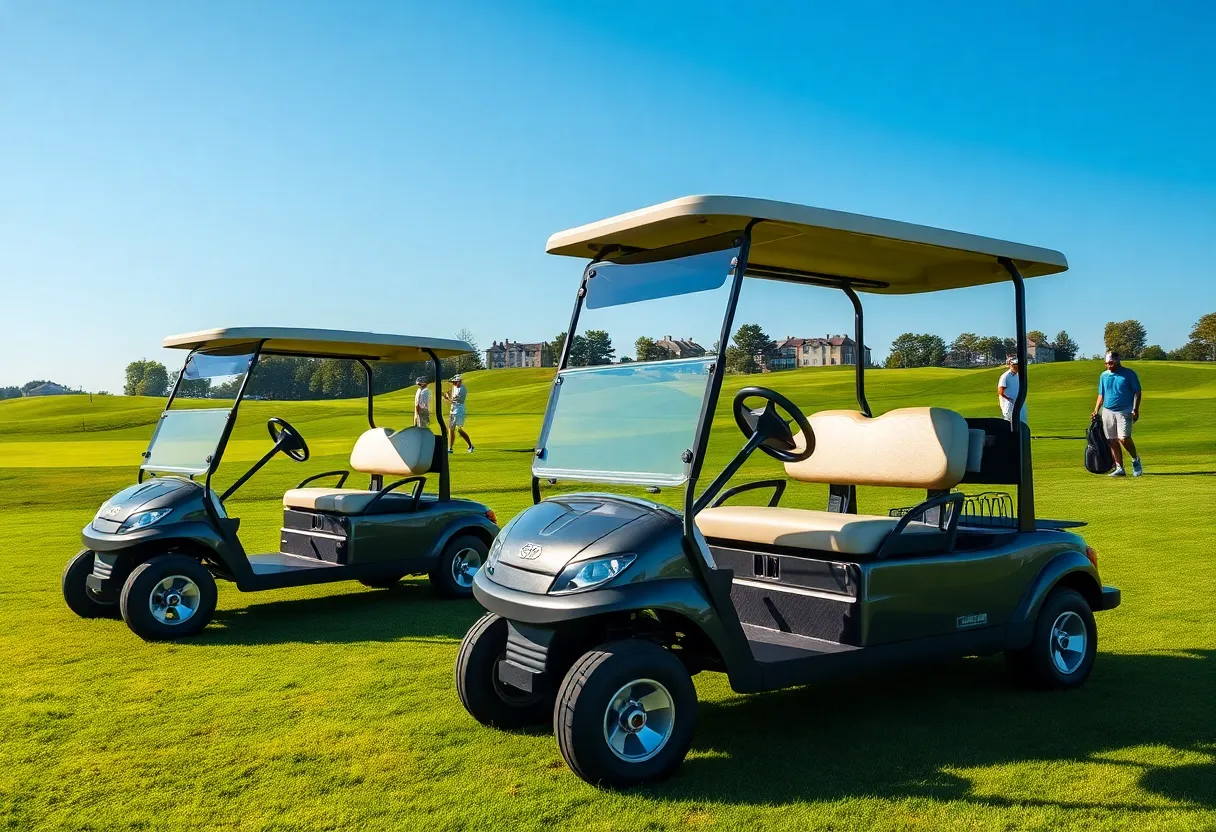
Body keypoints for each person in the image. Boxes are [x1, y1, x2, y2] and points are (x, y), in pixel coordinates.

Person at [1092, 350, 1143, 477]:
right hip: (1108, 410)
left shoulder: (1129, 374)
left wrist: (1135, 409)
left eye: (1111, 363)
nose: (1109, 366)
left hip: (1124, 410)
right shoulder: (1104, 375)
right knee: (1111, 440)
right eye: (1106, 363)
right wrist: (1096, 409)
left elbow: (1137, 392)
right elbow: (1101, 394)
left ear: (1117, 360)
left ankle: (1135, 459)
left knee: (1124, 438)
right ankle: (1119, 467)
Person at [443, 374, 474, 453]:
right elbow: (450, 393)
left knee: (458, 428)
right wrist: (446, 394)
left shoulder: (462, 390)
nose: (453, 383)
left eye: (455, 382)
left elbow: (451, 400)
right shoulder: (455, 387)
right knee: (451, 428)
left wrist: (446, 397)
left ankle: (470, 445)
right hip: (453, 409)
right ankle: (450, 448)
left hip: (459, 410)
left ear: (459, 382)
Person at [997, 355, 1028, 424]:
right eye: (1014, 365)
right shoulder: (1005, 376)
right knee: (1010, 422)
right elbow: (1000, 391)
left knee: (1022, 421)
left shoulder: (1018, 376)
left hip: (1019, 402)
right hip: (1009, 404)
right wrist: (1009, 399)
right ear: (1010, 365)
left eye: (1017, 365)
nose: (1016, 366)